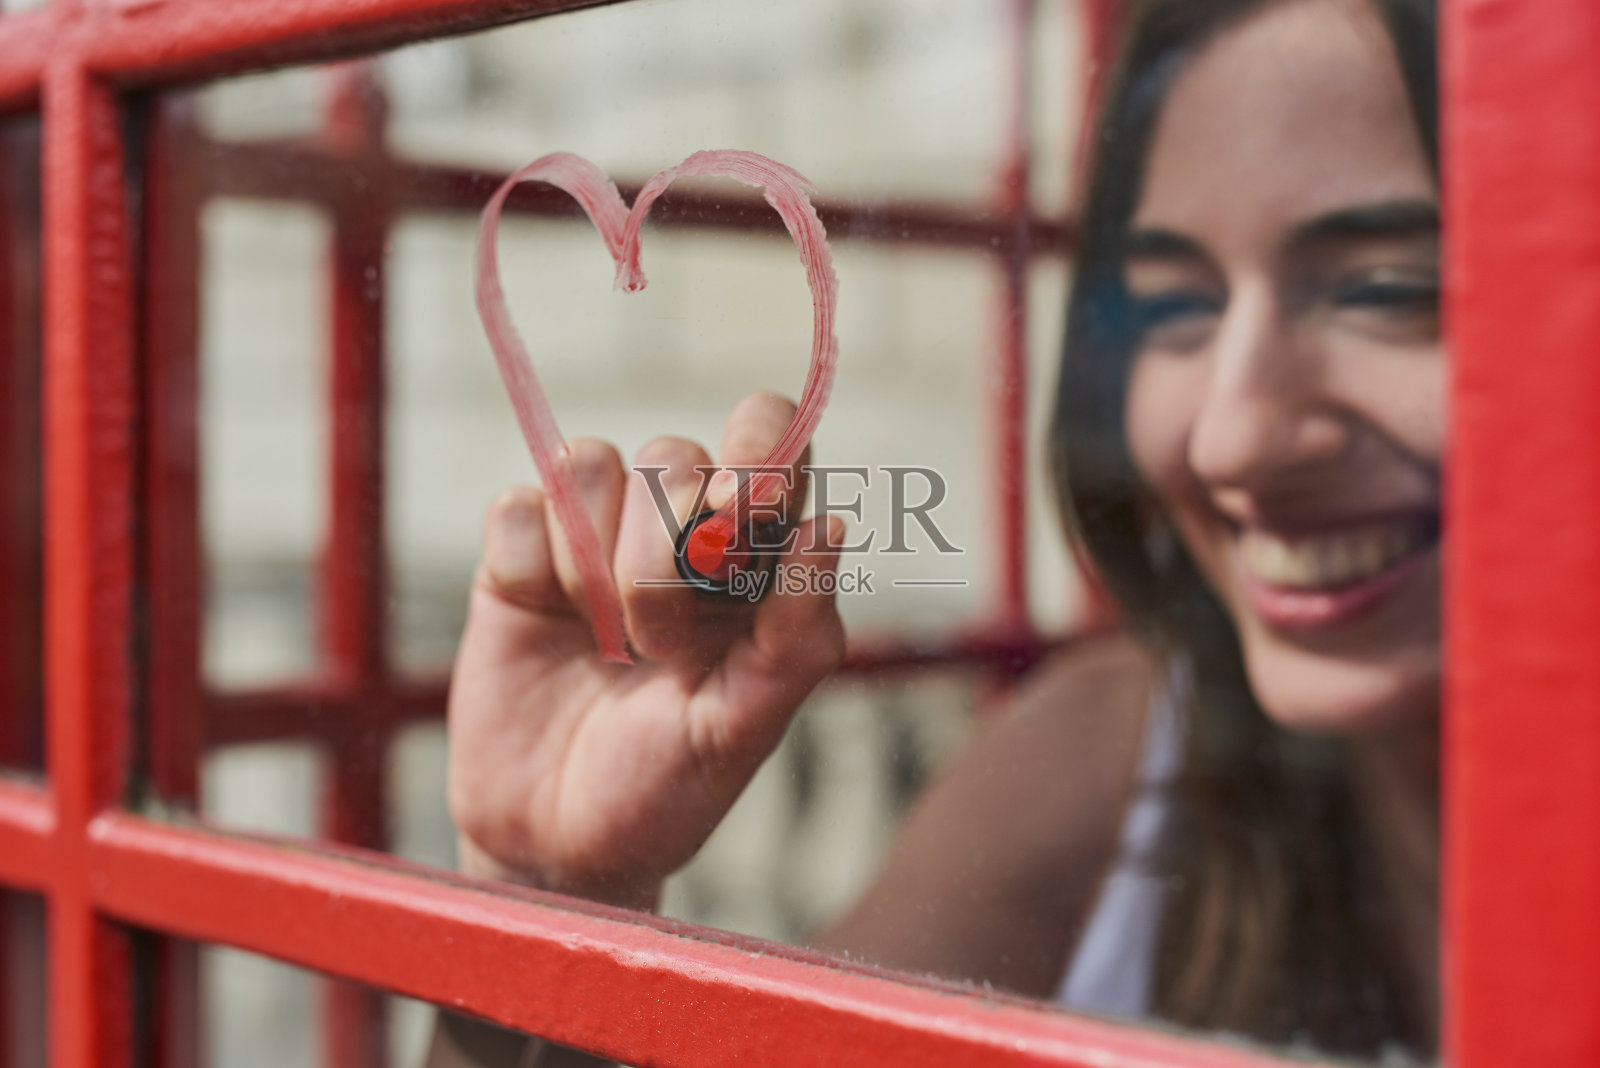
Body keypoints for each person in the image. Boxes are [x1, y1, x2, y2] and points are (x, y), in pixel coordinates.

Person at [426, 0, 1441, 1063]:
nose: (1233, 438)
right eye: (1174, 303)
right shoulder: (1110, 768)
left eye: (1386, 288)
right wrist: (544, 896)